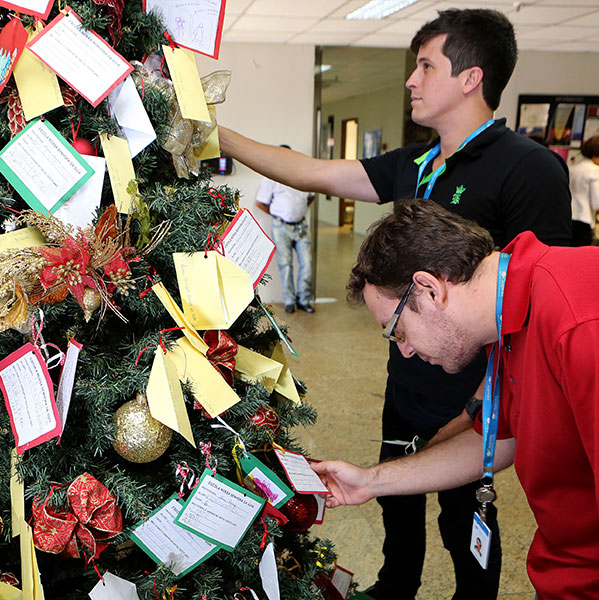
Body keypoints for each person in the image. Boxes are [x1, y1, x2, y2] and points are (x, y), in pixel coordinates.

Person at [219, 8, 571, 599]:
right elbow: (312, 173)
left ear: (470, 78)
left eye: (426, 66)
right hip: (408, 376)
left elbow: (543, 298)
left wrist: (493, 399)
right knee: (396, 505)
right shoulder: (418, 162)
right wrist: (220, 135)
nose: (411, 79)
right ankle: (395, 585)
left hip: (477, 389)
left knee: (466, 521)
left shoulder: (528, 169)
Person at [313, 198, 599, 599]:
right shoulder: (507, 320)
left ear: (430, 289)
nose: (405, 351)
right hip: (567, 570)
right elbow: (495, 439)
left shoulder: (584, 321)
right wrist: (369, 480)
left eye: (396, 331)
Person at [254, 146, 316, 314]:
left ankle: (304, 300)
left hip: (301, 226)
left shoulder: (302, 175)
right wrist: (277, 215)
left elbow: (311, 196)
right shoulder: (272, 177)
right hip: (281, 227)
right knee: (285, 265)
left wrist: (298, 212)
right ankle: (289, 301)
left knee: (307, 263)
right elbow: (261, 202)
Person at [569, 135, 599, 246]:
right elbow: (598, 203)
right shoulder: (596, 170)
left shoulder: (572, 167)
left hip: (567, 218)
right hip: (583, 220)